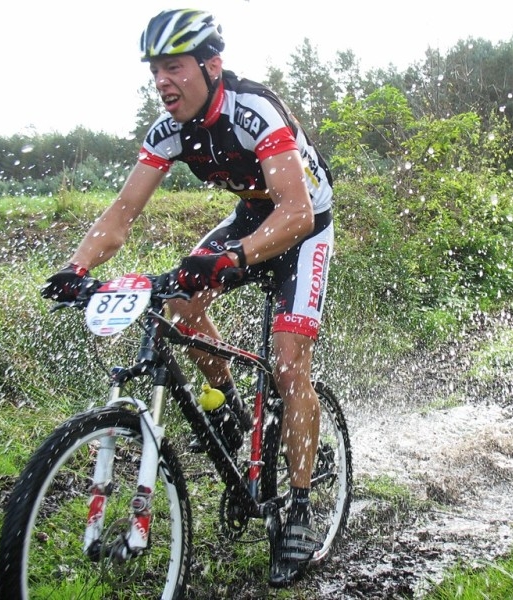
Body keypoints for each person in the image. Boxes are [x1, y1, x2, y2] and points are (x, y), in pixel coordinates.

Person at [40, 8, 334, 588]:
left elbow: (296, 211)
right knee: (182, 298)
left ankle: (298, 506)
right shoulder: (168, 129)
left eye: (174, 67)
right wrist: (77, 267)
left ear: (211, 66)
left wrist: (237, 258)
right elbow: (122, 214)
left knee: (286, 361)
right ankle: (227, 410)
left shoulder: (254, 111)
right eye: (155, 71)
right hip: (252, 214)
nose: (162, 82)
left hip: (304, 222)